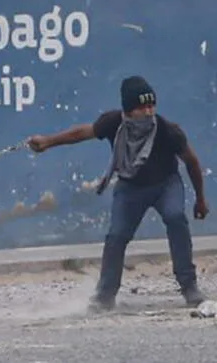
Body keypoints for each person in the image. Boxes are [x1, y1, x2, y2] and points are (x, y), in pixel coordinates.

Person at [28, 75, 209, 311]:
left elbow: (192, 162)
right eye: (141, 107)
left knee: (176, 218)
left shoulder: (168, 131)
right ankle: (105, 295)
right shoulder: (113, 122)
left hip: (166, 185)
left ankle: (189, 287)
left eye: (151, 105)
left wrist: (200, 200)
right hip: (131, 187)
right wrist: (48, 142)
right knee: (117, 236)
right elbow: (81, 133)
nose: (148, 112)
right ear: (128, 109)